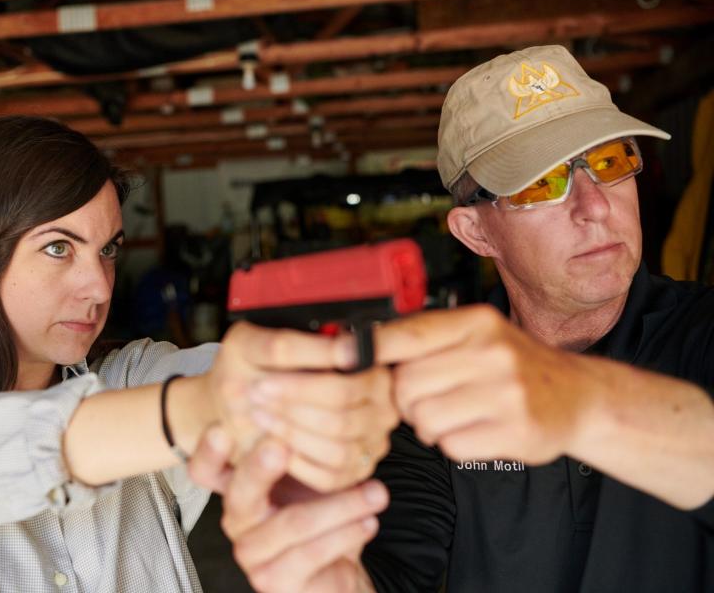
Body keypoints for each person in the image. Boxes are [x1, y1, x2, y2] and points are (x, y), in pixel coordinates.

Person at [192, 45, 714, 592]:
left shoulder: (703, 332)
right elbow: (394, 566)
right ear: (475, 232)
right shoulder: (437, 387)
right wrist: (328, 578)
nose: (594, 205)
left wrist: (579, 403)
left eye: (609, 163)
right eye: (542, 183)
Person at [0, 116, 400, 593]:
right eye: (59, 247)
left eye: (107, 249)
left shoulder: (132, 381)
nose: (99, 286)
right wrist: (199, 408)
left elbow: (243, 372)